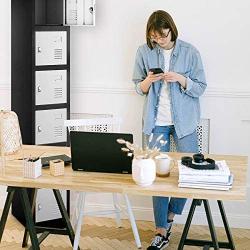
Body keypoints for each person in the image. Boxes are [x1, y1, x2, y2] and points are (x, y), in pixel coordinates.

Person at [132, 10, 207, 249]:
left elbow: (200, 87)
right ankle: (160, 230)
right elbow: (138, 87)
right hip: (155, 121)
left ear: (171, 30)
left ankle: (172, 215)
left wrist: (181, 79)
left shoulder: (189, 52)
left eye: (163, 36)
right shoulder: (144, 51)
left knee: (189, 170)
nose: (159, 40)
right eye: (155, 37)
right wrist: (148, 81)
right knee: (156, 173)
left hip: (184, 121)